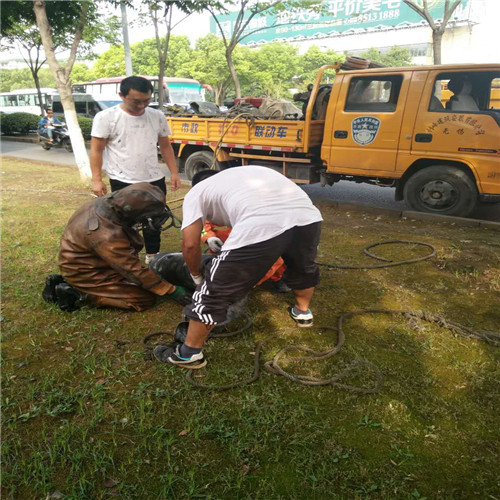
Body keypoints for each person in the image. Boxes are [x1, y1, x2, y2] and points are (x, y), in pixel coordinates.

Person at [153, 166, 323, 369]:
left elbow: (190, 245)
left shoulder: (196, 192)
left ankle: (189, 353)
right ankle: (302, 312)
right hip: (309, 217)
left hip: (262, 222)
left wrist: (197, 275)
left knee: (213, 290)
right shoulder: (246, 175)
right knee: (302, 268)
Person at [42, 183, 192, 312]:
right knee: (143, 299)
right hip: (87, 272)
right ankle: (81, 293)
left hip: (94, 262)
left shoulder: (103, 205)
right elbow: (130, 268)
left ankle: (70, 281)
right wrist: (171, 290)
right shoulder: (104, 233)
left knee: (144, 281)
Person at [89, 76, 181, 264]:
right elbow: (97, 150)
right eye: (136, 101)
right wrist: (96, 179)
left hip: (153, 179)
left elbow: (165, 147)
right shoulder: (106, 117)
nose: (141, 106)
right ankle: (128, 256)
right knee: (124, 222)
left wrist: (174, 172)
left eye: (146, 101)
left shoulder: (157, 116)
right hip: (123, 180)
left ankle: (152, 256)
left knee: (154, 221)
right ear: (121, 95)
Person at [201, 220, 290, 292]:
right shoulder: (234, 204)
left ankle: (277, 278)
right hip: (238, 235)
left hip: (269, 242)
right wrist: (209, 237)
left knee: (278, 259)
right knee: (218, 238)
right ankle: (215, 266)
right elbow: (203, 220)